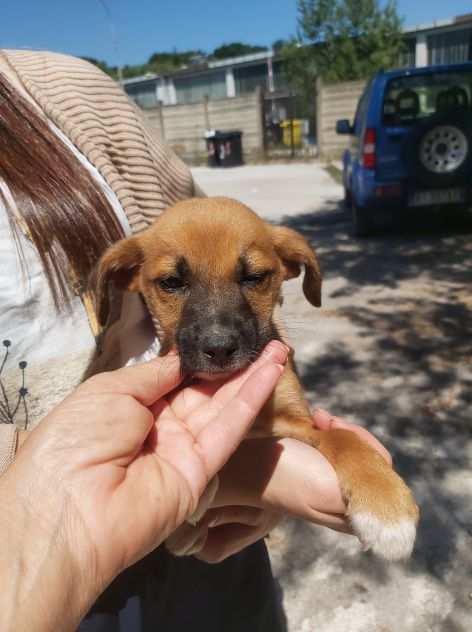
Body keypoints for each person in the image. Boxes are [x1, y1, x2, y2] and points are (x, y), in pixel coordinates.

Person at [0, 49, 390, 631]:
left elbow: (206, 219)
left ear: (293, 270)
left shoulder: (70, 90)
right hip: (46, 567)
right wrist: (251, 473)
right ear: (124, 279)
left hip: (216, 574)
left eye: (253, 277)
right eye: (173, 285)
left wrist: (287, 470)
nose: (215, 332)